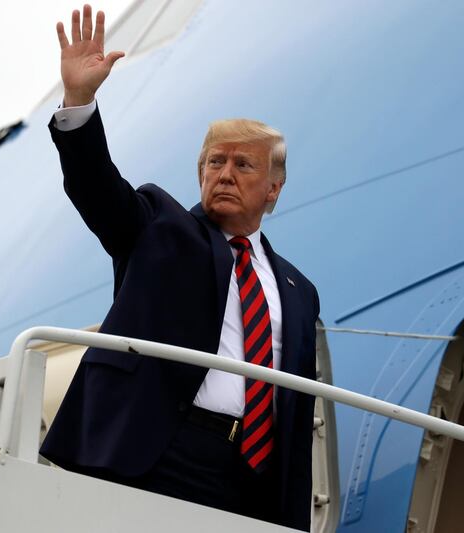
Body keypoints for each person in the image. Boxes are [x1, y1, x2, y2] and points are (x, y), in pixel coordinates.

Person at [39, 5, 320, 531]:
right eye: (216, 161)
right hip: (163, 448)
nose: (226, 173)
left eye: (244, 164)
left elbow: (298, 406)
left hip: (256, 476)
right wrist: (80, 101)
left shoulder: (299, 291)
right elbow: (96, 188)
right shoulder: (160, 226)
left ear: (274, 188)